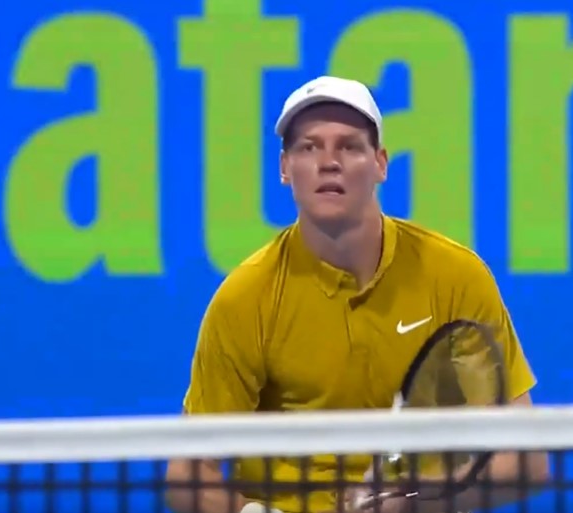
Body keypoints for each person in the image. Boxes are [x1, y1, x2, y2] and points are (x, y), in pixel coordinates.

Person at [165, 75, 550, 513]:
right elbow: (187, 475)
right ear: (285, 168)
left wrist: (411, 503)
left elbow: (525, 461)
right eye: (309, 147)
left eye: (349, 146)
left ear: (380, 164)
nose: (329, 162)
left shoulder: (455, 276)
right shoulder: (245, 299)